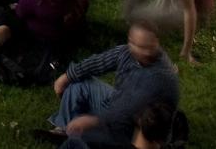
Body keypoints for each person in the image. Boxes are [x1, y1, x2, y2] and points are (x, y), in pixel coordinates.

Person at [44, 24, 180, 146]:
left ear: (156, 42)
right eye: (136, 45)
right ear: (130, 41)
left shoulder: (160, 77)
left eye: (147, 47)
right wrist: (66, 77)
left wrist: (92, 121)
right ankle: (64, 129)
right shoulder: (127, 53)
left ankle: (73, 133)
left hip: (136, 129)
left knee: (85, 135)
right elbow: (98, 62)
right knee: (79, 83)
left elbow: (125, 111)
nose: (143, 51)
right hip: (117, 103)